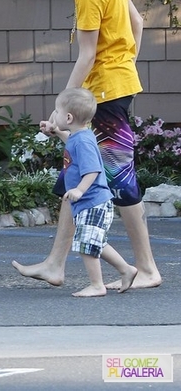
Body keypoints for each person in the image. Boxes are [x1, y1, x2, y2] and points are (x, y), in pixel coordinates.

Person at [12, 0, 161, 290]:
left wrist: (61, 106)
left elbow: (87, 55)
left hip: (104, 95)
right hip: (113, 86)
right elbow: (138, 22)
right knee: (77, 172)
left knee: (120, 180)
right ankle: (55, 264)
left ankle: (146, 269)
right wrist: (125, 64)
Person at [42, 88, 138, 297]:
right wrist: (57, 131)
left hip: (93, 200)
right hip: (90, 201)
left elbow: (93, 169)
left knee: (87, 244)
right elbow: (72, 144)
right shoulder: (79, 136)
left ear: (68, 117)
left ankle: (97, 285)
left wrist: (79, 189)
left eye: (56, 112)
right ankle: (126, 270)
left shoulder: (84, 140)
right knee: (96, 242)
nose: (54, 116)